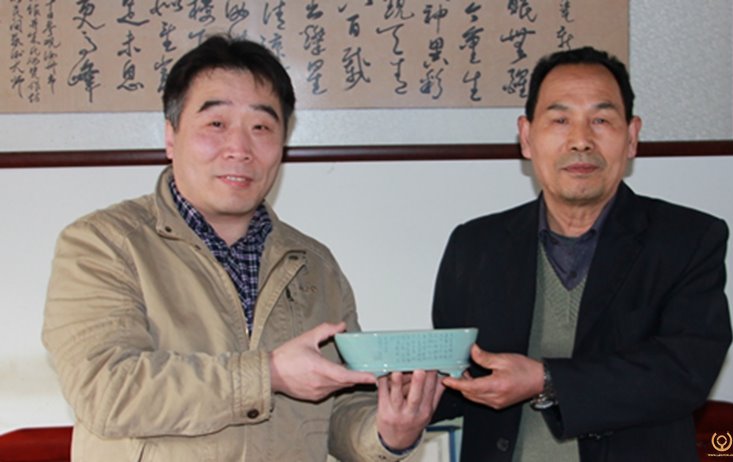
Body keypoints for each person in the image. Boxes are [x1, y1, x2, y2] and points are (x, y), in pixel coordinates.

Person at [42, 35, 443, 461]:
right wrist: (268, 374)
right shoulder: (103, 244)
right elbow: (106, 390)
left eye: (261, 128)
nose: (239, 149)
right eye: (216, 124)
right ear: (171, 137)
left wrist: (388, 432)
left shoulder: (313, 265)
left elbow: (341, 409)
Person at [431, 46, 732, 461]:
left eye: (601, 120)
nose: (580, 141)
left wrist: (546, 380)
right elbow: (457, 375)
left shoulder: (687, 240)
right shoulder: (475, 245)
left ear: (631, 137)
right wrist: (398, 393)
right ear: (526, 137)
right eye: (560, 120)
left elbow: (685, 372)